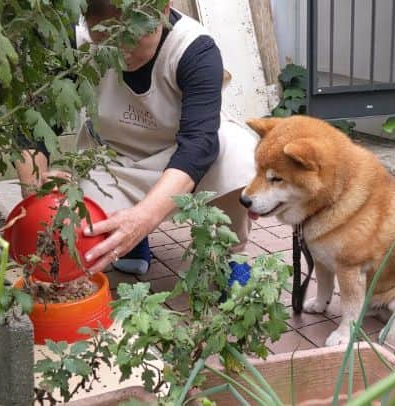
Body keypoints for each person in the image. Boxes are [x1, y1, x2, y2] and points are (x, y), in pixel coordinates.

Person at [15, 0, 258, 275]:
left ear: (163, 11)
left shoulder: (193, 48)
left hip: (181, 157)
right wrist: (33, 186)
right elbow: (35, 124)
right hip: (113, 159)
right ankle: (129, 238)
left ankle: (229, 257)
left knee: (240, 156)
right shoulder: (75, 41)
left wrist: (142, 219)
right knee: (78, 232)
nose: (122, 51)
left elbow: (198, 145)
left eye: (132, 35)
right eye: (106, 35)